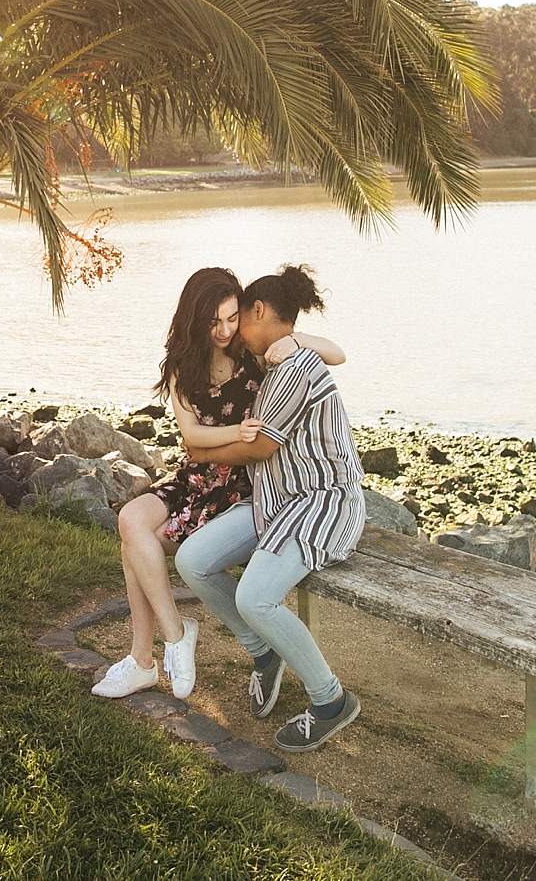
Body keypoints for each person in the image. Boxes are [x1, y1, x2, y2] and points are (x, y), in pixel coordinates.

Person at [92, 268, 345, 701]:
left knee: (136, 545)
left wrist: (297, 340)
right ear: (195, 318)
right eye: (216, 322)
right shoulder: (182, 367)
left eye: (233, 317)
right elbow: (192, 441)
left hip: (246, 484)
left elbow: (336, 354)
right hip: (201, 475)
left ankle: (142, 661)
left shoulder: (254, 352)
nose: (227, 330)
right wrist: (238, 431)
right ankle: (174, 636)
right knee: (132, 522)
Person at [173, 264, 366, 752]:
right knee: (192, 561)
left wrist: (201, 452)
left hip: (321, 503)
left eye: (242, 319)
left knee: (253, 599)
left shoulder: (295, 370)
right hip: (275, 502)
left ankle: (330, 700)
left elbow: (259, 448)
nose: (235, 332)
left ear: (258, 311)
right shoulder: (279, 361)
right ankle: (263, 652)